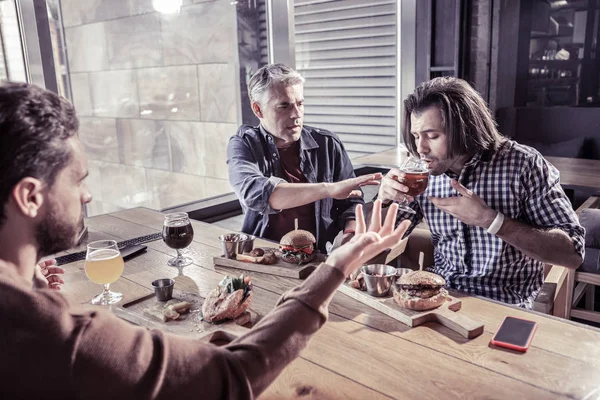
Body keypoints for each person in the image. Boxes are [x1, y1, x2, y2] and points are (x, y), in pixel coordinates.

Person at [0, 82, 410, 398]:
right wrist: (337, 265)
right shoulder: (60, 336)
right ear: (30, 196)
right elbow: (231, 377)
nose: (86, 195)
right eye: (79, 180)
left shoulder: (25, 305)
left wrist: (30, 284)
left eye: (300, 103)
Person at [376, 77, 585, 308]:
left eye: (432, 136)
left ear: (464, 129)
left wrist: (491, 220)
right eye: (416, 136)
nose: (420, 148)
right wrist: (383, 201)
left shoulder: (524, 165)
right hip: (440, 297)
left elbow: (572, 253)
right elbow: (380, 240)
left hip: (505, 304)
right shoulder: (422, 171)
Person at [227, 63, 380, 252]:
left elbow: (351, 201)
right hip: (263, 256)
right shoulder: (244, 144)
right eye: (284, 106)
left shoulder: (327, 143)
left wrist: (350, 233)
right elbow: (257, 194)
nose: (296, 114)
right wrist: (329, 189)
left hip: (317, 256)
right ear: (258, 110)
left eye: (300, 104)